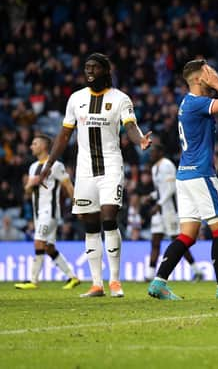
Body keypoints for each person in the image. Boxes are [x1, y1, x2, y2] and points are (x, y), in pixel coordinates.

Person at [38, 53, 152, 298]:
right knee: (90, 225)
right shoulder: (76, 99)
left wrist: (140, 140)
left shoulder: (120, 98)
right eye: (86, 67)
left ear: (106, 71)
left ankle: (115, 281)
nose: (89, 71)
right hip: (85, 170)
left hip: (110, 166)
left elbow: (130, 125)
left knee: (109, 218)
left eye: (94, 68)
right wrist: (49, 163)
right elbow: (64, 135)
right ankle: (96, 284)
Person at [148, 60, 218, 300]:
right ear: (198, 79)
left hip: (185, 175)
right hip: (200, 174)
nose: (214, 75)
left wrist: (214, 82)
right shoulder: (197, 103)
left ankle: (158, 282)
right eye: (209, 73)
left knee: (187, 235)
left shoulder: (187, 102)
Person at [14, 134, 81, 290]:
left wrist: (77, 205)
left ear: (44, 146)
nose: (31, 146)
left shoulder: (56, 165)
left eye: (34, 143)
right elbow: (28, 193)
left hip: (49, 212)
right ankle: (72, 277)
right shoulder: (32, 167)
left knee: (39, 241)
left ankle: (33, 280)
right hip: (38, 213)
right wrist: (30, 185)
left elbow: (68, 186)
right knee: (49, 247)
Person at [145, 143, 204, 282]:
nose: (151, 154)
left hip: (170, 211)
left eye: (153, 151)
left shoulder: (167, 165)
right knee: (155, 241)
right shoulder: (154, 168)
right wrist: (152, 196)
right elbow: (161, 190)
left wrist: (159, 203)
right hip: (160, 211)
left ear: (160, 152)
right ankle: (149, 275)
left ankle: (197, 270)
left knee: (177, 242)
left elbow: (171, 188)